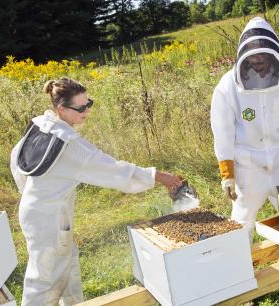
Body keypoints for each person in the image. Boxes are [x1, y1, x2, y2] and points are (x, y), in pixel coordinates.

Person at [10, 77, 183, 306]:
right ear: (61, 108)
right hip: (47, 219)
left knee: (67, 263)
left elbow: (16, 161)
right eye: (80, 108)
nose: (87, 111)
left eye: (88, 103)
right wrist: (158, 176)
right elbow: (114, 170)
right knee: (44, 281)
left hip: (40, 211)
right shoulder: (69, 145)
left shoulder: (43, 124)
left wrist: (35, 194)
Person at [210, 17, 279, 240]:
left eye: (262, 52)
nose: (257, 58)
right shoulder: (227, 86)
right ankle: (238, 271)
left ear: (274, 51)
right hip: (248, 167)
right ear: (242, 53)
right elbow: (223, 133)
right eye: (252, 53)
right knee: (241, 224)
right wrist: (228, 173)